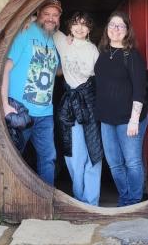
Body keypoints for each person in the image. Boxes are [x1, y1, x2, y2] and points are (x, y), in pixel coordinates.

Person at [1, 0, 62, 186]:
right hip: (20, 111)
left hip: (45, 113)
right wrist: (4, 104)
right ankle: (10, 200)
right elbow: (6, 69)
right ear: (38, 14)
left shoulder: (55, 39)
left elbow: (58, 70)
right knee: (13, 157)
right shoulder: (24, 33)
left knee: (49, 158)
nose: (51, 19)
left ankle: (47, 203)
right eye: (46, 14)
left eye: (55, 15)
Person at [94, 10, 148, 206]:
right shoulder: (101, 54)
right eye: (112, 25)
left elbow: (139, 90)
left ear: (127, 31)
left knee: (132, 162)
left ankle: (134, 201)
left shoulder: (131, 55)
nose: (116, 29)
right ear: (106, 29)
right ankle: (125, 198)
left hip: (129, 119)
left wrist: (134, 120)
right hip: (107, 119)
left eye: (120, 26)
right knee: (114, 164)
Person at [56, 12, 103, 206]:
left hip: (89, 102)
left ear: (89, 29)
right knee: (74, 153)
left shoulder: (93, 50)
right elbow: (40, 19)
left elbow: (100, 79)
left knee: (93, 151)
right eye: (76, 24)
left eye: (84, 24)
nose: (80, 28)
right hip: (70, 104)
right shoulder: (62, 41)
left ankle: (91, 201)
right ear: (70, 27)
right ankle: (78, 198)